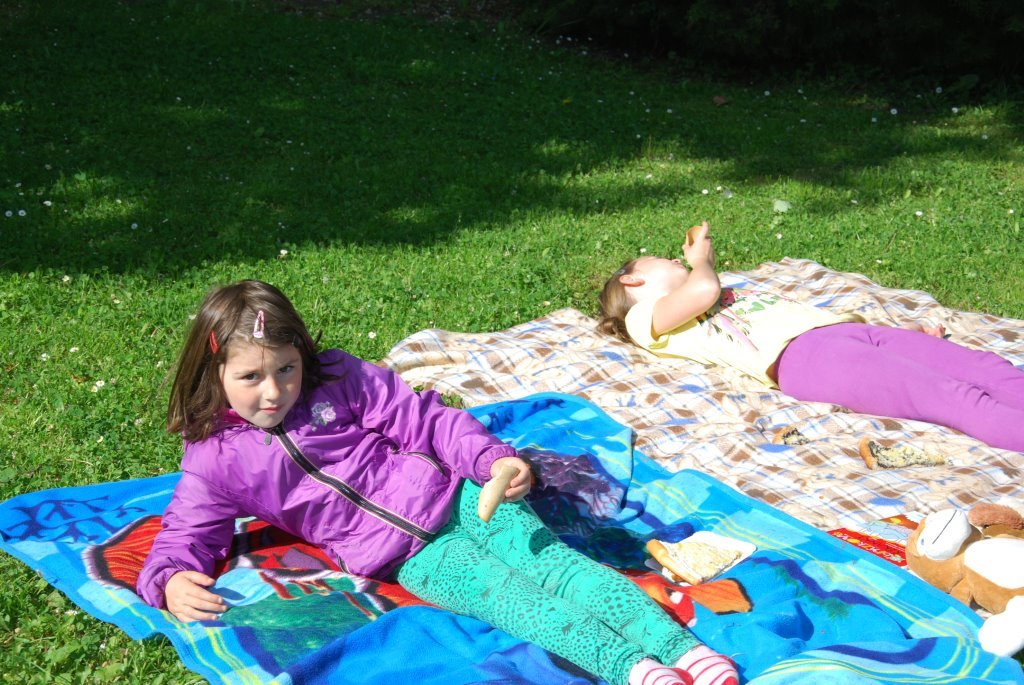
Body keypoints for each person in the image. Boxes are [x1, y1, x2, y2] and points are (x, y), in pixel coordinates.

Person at [138, 280, 738, 685]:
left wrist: (492, 462)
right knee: (515, 600)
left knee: (559, 567)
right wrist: (168, 578)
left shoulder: (339, 379)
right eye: (251, 377)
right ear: (214, 373)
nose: (274, 391)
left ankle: (683, 649)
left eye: (287, 369)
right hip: (409, 558)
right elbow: (186, 529)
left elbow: (427, 421)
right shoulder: (214, 458)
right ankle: (634, 670)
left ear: (303, 355)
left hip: (467, 498)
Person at [598, 221, 1024, 453]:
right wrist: (700, 261)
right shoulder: (644, 318)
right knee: (955, 396)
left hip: (848, 334)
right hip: (808, 361)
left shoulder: (716, 288)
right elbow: (703, 290)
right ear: (632, 279)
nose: (676, 260)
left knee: (986, 367)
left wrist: (901, 336)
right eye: (661, 259)